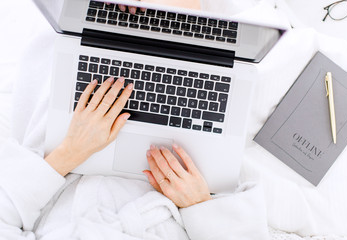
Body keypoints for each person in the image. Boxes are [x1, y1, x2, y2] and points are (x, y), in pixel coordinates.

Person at [0, 3, 270, 240]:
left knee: (79, 34)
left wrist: (70, 152)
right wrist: (199, 205)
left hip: (63, 166)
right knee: (189, 39)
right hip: (172, 189)